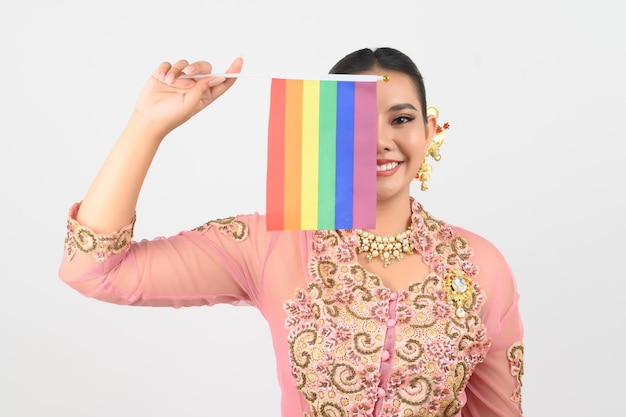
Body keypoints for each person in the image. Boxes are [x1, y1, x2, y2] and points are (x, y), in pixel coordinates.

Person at [58, 47, 524, 417]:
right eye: (357, 121)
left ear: (429, 131)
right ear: (325, 135)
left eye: (401, 119)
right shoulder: (274, 244)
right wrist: (146, 126)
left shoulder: (481, 266)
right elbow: (95, 270)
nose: (382, 139)